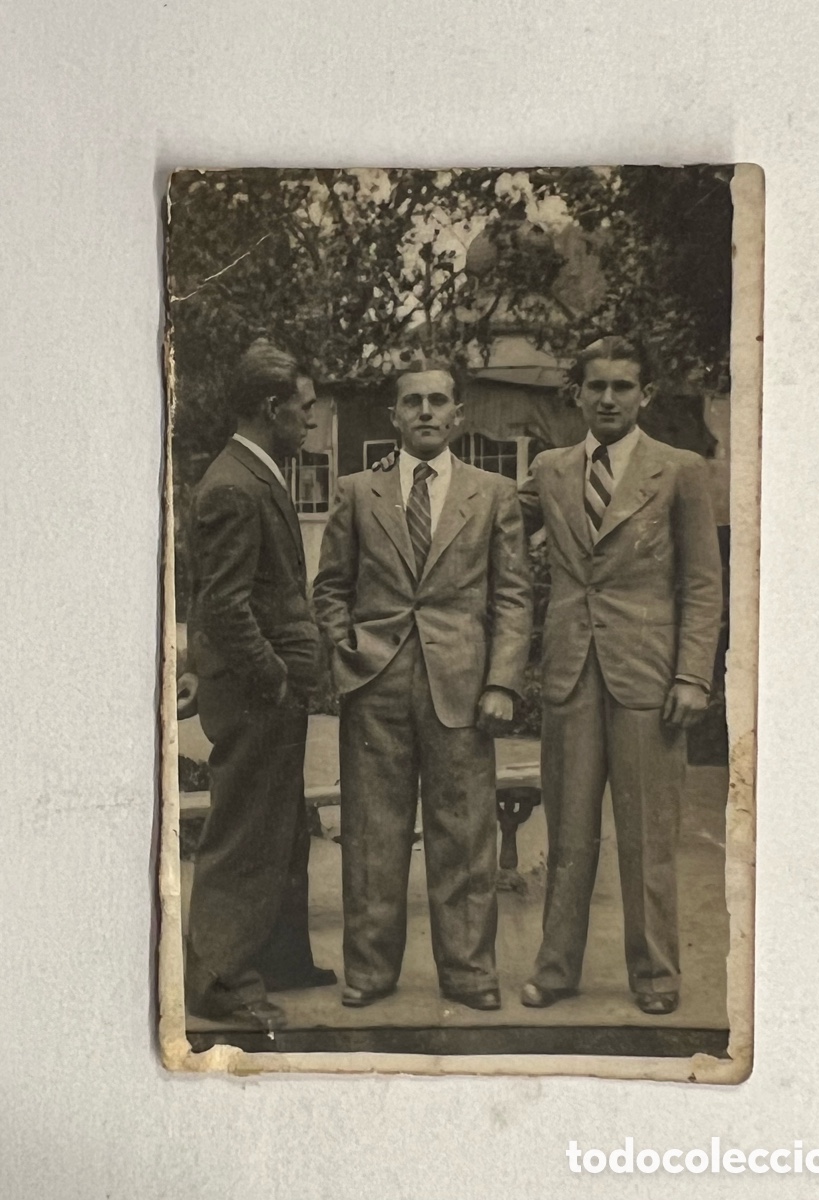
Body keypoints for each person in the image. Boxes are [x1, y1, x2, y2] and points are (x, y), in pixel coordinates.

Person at [312, 359, 532, 1010]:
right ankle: (370, 973)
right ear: (395, 417)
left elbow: (514, 600)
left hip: (462, 688)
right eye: (414, 402)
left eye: (440, 401)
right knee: (373, 834)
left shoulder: (494, 494)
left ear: (459, 415)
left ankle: (469, 975)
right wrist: (348, 649)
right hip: (375, 685)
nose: (427, 412)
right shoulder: (357, 492)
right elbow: (329, 589)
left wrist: (503, 684)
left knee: (463, 835)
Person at [518, 335, 722, 1016]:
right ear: (577, 392)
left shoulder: (681, 470)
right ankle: (556, 970)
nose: (608, 399)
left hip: (650, 677)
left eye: (622, 387)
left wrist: (694, 675)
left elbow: (701, 583)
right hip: (572, 672)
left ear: (645, 394)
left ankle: (656, 975)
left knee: (647, 836)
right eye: (596, 386)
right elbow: (486, 525)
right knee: (568, 833)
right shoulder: (548, 469)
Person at [184, 339, 335, 1033]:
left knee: (278, 828)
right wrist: (274, 678)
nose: (311, 422)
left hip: (269, 693)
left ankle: (277, 959)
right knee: (244, 834)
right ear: (272, 409)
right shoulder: (235, 486)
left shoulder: (254, 473)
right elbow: (224, 605)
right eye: (303, 410)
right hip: (255, 696)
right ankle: (220, 980)